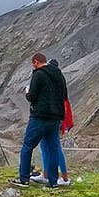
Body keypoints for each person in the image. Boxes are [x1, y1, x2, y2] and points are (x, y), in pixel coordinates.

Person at [16, 53, 68, 188]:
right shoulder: (59, 75)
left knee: (27, 146)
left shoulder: (38, 74)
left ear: (36, 62)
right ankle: (53, 181)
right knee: (53, 149)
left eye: (33, 64)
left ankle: (24, 179)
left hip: (39, 117)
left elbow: (32, 96)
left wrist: (27, 92)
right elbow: (64, 96)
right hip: (55, 118)